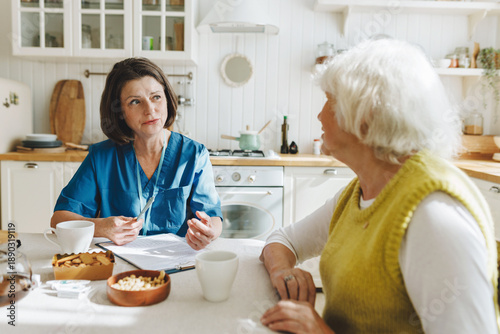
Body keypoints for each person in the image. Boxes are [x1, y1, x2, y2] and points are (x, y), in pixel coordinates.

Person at [259, 39, 500, 334]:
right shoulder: (360, 192)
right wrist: (283, 271)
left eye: (330, 101)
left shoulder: (432, 213)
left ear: (366, 115)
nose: (319, 115)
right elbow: (282, 240)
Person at [50, 57, 222, 250]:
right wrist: (102, 227)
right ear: (120, 112)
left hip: (177, 263)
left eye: (156, 97)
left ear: (167, 99)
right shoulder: (101, 157)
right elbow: (59, 218)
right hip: (119, 268)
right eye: (134, 102)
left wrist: (209, 231)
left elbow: (213, 216)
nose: (150, 110)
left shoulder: (194, 154)